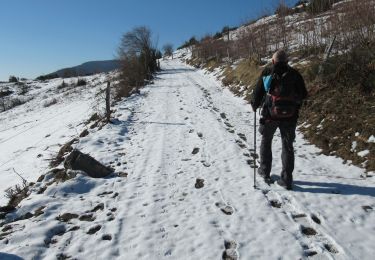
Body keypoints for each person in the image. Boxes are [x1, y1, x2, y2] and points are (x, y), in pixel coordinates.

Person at [250, 50, 307, 190]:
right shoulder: (295, 74)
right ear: (287, 61)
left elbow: (258, 92)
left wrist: (254, 104)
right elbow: (303, 94)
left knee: (266, 141)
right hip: (290, 116)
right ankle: (286, 180)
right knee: (287, 146)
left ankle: (264, 171)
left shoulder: (268, 72)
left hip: (270, 115)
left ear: (273, 60)